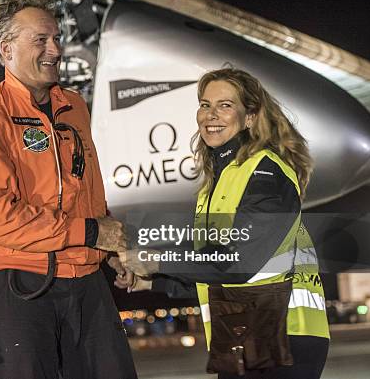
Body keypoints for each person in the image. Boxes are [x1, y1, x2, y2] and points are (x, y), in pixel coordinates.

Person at [0, 0, 137, 379]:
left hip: (86, 280)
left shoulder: (74, 105)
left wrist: (114, 246)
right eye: (40, 40)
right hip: (19, 282)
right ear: (6, 49)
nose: (55, 49)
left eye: (56, 38)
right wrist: (91, 232)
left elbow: (87, 192)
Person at [121, 68, 330, 379]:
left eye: (225, 105)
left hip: (286, 334)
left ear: (249, 117)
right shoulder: (218, 182)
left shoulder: (266, 174)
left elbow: (238, 261)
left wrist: (158, 259)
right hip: (243, 332)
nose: (210, 115)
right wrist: (154, 282)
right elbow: (215, 268)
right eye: (205, 105)